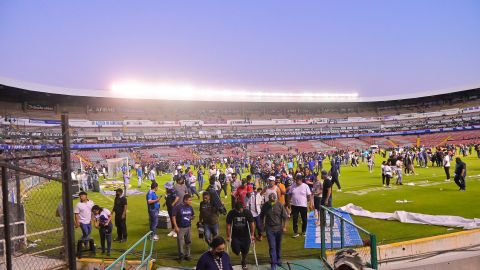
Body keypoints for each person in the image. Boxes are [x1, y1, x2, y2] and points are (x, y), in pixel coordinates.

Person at [261, 193, 288, 270]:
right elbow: (262, 216)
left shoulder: (280, 205)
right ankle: (273, 263)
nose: (272, 202)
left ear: (276, 199)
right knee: (272, 247)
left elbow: (285, 217)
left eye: (273, 200)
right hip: (269, 229)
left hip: (279, 228)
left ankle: (278, 259)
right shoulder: (265, 205)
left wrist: (284, 227)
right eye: (270, 201)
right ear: (268, 199)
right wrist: (262, 226)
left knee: (278, 245)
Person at [226, 201, 255, 269]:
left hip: (245, 235)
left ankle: (243, 261)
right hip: (235, 236)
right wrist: (228, 236)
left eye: (240, 210)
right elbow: (228, 225)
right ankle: (240, 254)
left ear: (243, 208)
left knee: (245, 250)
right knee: (236, 250)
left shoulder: (247, 212)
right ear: (235, 209)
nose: (239, 212)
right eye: (237, 210)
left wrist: (252, 234)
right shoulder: (231, 213)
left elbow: (251, 223)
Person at [287, 173, 312, 238]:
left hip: (303, 205)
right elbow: (289, 194)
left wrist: (309, 203)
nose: (297, 181)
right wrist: (289, 202)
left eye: (299, 179)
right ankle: (295, 232)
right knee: (295, 219)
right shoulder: (293, 186)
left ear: (301, 180)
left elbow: (309, 195)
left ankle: (304, 231)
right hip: (294, 205)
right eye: (296, 179)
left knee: (304, 219)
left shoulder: (305, 186)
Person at [172, 194, 195, 262]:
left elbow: (193, 215)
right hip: (180, 228)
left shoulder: (190, 207)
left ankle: (187, 255)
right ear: (185, 200)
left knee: (188, 242)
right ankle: (181, 256)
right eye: (189, 200)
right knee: (180, 242)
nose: (191, 201)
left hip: (188, 227)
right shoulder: (178, 207)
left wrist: (192, 217)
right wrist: (176, 227)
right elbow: (173, 216)